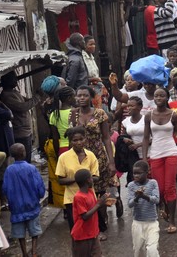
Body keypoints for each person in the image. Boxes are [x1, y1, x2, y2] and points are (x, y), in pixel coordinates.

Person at [69, 86, 115, 239]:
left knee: (99, 193)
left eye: (85, 95)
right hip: (80, 158)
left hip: (98, 158)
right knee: (84, 193)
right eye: (79, 95)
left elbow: (106, 138)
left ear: (91, 97)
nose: (81, 98)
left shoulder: (100, 113)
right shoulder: (73, 114)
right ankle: (89, 226)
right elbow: (71, 137)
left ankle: (101, 228)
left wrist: (111, 161)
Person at [142, 88, 177, 234]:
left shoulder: (174, 115)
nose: (159, 97)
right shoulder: (148, 116)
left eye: (162, 95)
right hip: (155, 153)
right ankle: (165, 209)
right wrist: (144, 158)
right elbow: (146, 137)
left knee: (170, 187)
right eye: (156, 95)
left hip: (171, 152)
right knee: (159, 189)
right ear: (153, 98)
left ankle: (172, 221)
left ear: (167, 97)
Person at [2, 143, 45, 257]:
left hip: (16, 208)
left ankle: (24, 253)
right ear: (24, 153)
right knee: (34, 231)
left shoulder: (9, 170)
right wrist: (40, 195)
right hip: (32, 205)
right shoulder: (31, 168)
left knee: (20, 234)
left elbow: (5, 188)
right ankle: (34, 252)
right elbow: (39, 186)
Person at [56, 127, 99, 230]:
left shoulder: (91, 155)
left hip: (89, 198)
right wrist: (78, 179)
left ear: (85, 139)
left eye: (81, 139)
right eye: (75, 140)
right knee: (76, 229)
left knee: (91, 228)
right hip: (72, 199)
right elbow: (60, 180)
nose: (79, 142)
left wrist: (86, 179)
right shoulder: (63, 157)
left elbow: (96, 177)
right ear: (70, 142)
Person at [0, 71, 39, 163]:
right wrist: (37, 97)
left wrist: (37, 97)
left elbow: (27, 101)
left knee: (27, 157)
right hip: (19, 132)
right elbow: (23, 107)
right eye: (14, 78)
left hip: (25, 130)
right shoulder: (6, 95)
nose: (16, 80)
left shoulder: (14, 92)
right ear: (7, 80)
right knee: (23, 159)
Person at [71, 169, 108, 257]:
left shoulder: (90, 192)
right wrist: (99, 204)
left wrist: (103, 203)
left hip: (93, 233)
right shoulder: (78, 197)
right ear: (88, 180)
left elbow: (94, 208)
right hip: (82, 236)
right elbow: (85, 216)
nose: (93, 179)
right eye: (91, 177)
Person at [126, 160, 160, 257]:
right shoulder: (131, 185)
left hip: (152, 222)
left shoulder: (153, 183)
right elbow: (130, 204)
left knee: (152, 249)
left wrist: (144, 196)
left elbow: (156, 200)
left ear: (147, 172)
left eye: (139, 173)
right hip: (138, 223)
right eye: (134, 173)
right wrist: (137, 197)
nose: (136, 176)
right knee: (138, 251)